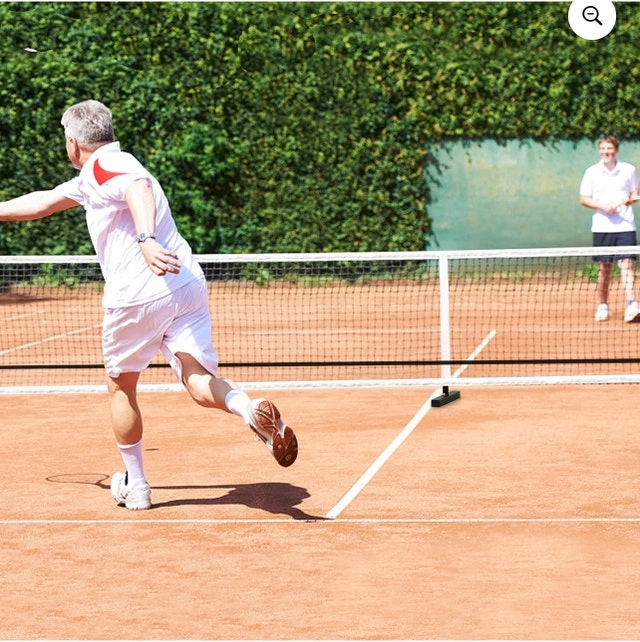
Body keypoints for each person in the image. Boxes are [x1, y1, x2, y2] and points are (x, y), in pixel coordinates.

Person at [0, 99, 298, 510]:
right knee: (198, 381)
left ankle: (137, 486)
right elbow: (44, 202)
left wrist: (146, 238)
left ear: (73, 143)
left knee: (121, 387)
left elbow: (136, 188)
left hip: (137, 297)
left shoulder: (108, 167)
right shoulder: (93, 177)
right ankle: (248, 408)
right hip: (185, 285)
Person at [579, 134, 640, 323]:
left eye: (610, 149)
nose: (606, 152)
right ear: (600, 151)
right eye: (603, 149)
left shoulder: (629, 170)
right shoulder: (592, 172)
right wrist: (603, 207)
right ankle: (602, 305)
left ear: (616, 150)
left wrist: (630, 200)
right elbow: (584, 199)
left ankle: (632, 304)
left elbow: (634, 194)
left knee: (627, 265)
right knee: (604, 269)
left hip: (625, 225)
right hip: (601, 227)